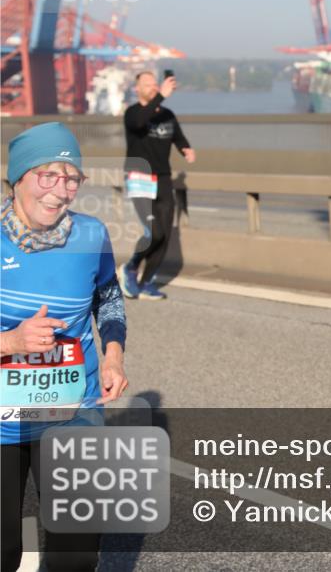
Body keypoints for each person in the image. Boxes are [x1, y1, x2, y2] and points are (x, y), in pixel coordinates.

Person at [1, 122, 129, 572]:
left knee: (75, 555)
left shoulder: (90, 235)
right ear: (17, 178)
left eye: (72, 178)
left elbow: (108, 298)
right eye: (48, 175)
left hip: (74, 408)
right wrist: (11, 341)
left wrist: (113, 356)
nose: (61, 190)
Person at [117, 71, 195, 300]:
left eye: (155, 84)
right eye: (147, 84)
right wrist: (161, 96)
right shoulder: (132, 113)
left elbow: (177, 136)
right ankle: (130, 267)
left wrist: (185, 148)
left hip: (163, 178)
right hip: (139, 176)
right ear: (137, 89)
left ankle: (147, 282)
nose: (152, 87)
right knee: (153, 232)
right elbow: (141, 122)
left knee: (165, 235)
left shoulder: (168, 115)